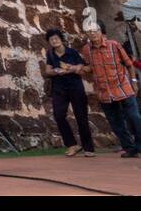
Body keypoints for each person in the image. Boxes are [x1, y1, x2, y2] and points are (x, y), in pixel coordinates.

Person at [82, 26, 141, 157]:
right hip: (104, 93)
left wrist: (134, 82)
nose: (93, 33)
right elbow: (90, 67)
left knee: (134, 117)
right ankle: (130, 148)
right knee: (117, 124)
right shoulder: (87, 50)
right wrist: (82, 69)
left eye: (95, 30)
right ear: (87, 34)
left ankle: (139, 146)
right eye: (89, 31)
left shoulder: (114, 45)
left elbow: (129, 64)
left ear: (101, 32)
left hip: (123, 88)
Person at [41, 28, 94, 157]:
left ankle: (88, 148)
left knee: (81, 116)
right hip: (58, 88)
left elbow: (84, 67)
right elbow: (47, 71)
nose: (54, 41)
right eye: (51, 39)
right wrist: (57, 71)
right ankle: (72, 145)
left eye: (56, 38)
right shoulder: (50, 54)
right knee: (59, 115)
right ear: (49, 42)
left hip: (75, 87)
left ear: (61, 39)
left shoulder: (72, 52)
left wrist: (71, 69)